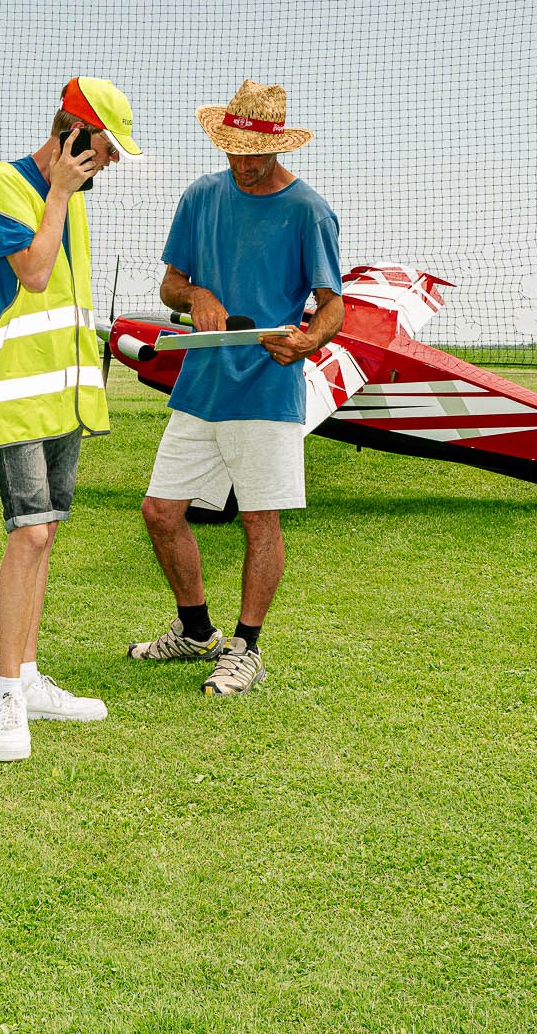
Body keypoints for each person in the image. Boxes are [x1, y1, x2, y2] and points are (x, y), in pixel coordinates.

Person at [127, 79, 344, 695]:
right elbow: (171, 284)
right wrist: (195, 292)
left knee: (259, 522)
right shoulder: (201, 196)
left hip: (269, 391)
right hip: (202, 385)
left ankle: (245, 648)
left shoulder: (310, 211)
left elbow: (334, 308)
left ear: (279, 145)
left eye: (255, 154)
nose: (244, 166)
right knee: (161, 513)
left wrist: (306, 343)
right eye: (233, 152)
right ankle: (196, 632)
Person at [0, 77, 141, 761]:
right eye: (105, 149)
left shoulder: (75, 205)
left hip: (58, 396)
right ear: (73, 135)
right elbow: (31, 273)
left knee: (46, 533)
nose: (109, 163)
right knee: (27, 534)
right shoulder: (5, 187)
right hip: (11, 396)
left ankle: (28, 678)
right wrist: (57, 190)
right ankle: (6, 693)